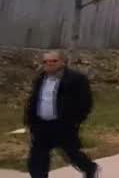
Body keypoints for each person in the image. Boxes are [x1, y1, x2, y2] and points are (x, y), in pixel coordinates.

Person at [23, 50, 99, 178]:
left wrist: (75, 120)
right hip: (41, 125)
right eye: (45, 61)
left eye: (53, 61)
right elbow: (34, 100)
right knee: (37, 157)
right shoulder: (41, 79)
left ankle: (89, 168)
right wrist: (30, 120)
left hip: (63, 125)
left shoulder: (76, 79)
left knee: (71, 153)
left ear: (63, 62)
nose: (49, 64)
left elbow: (85, 102)